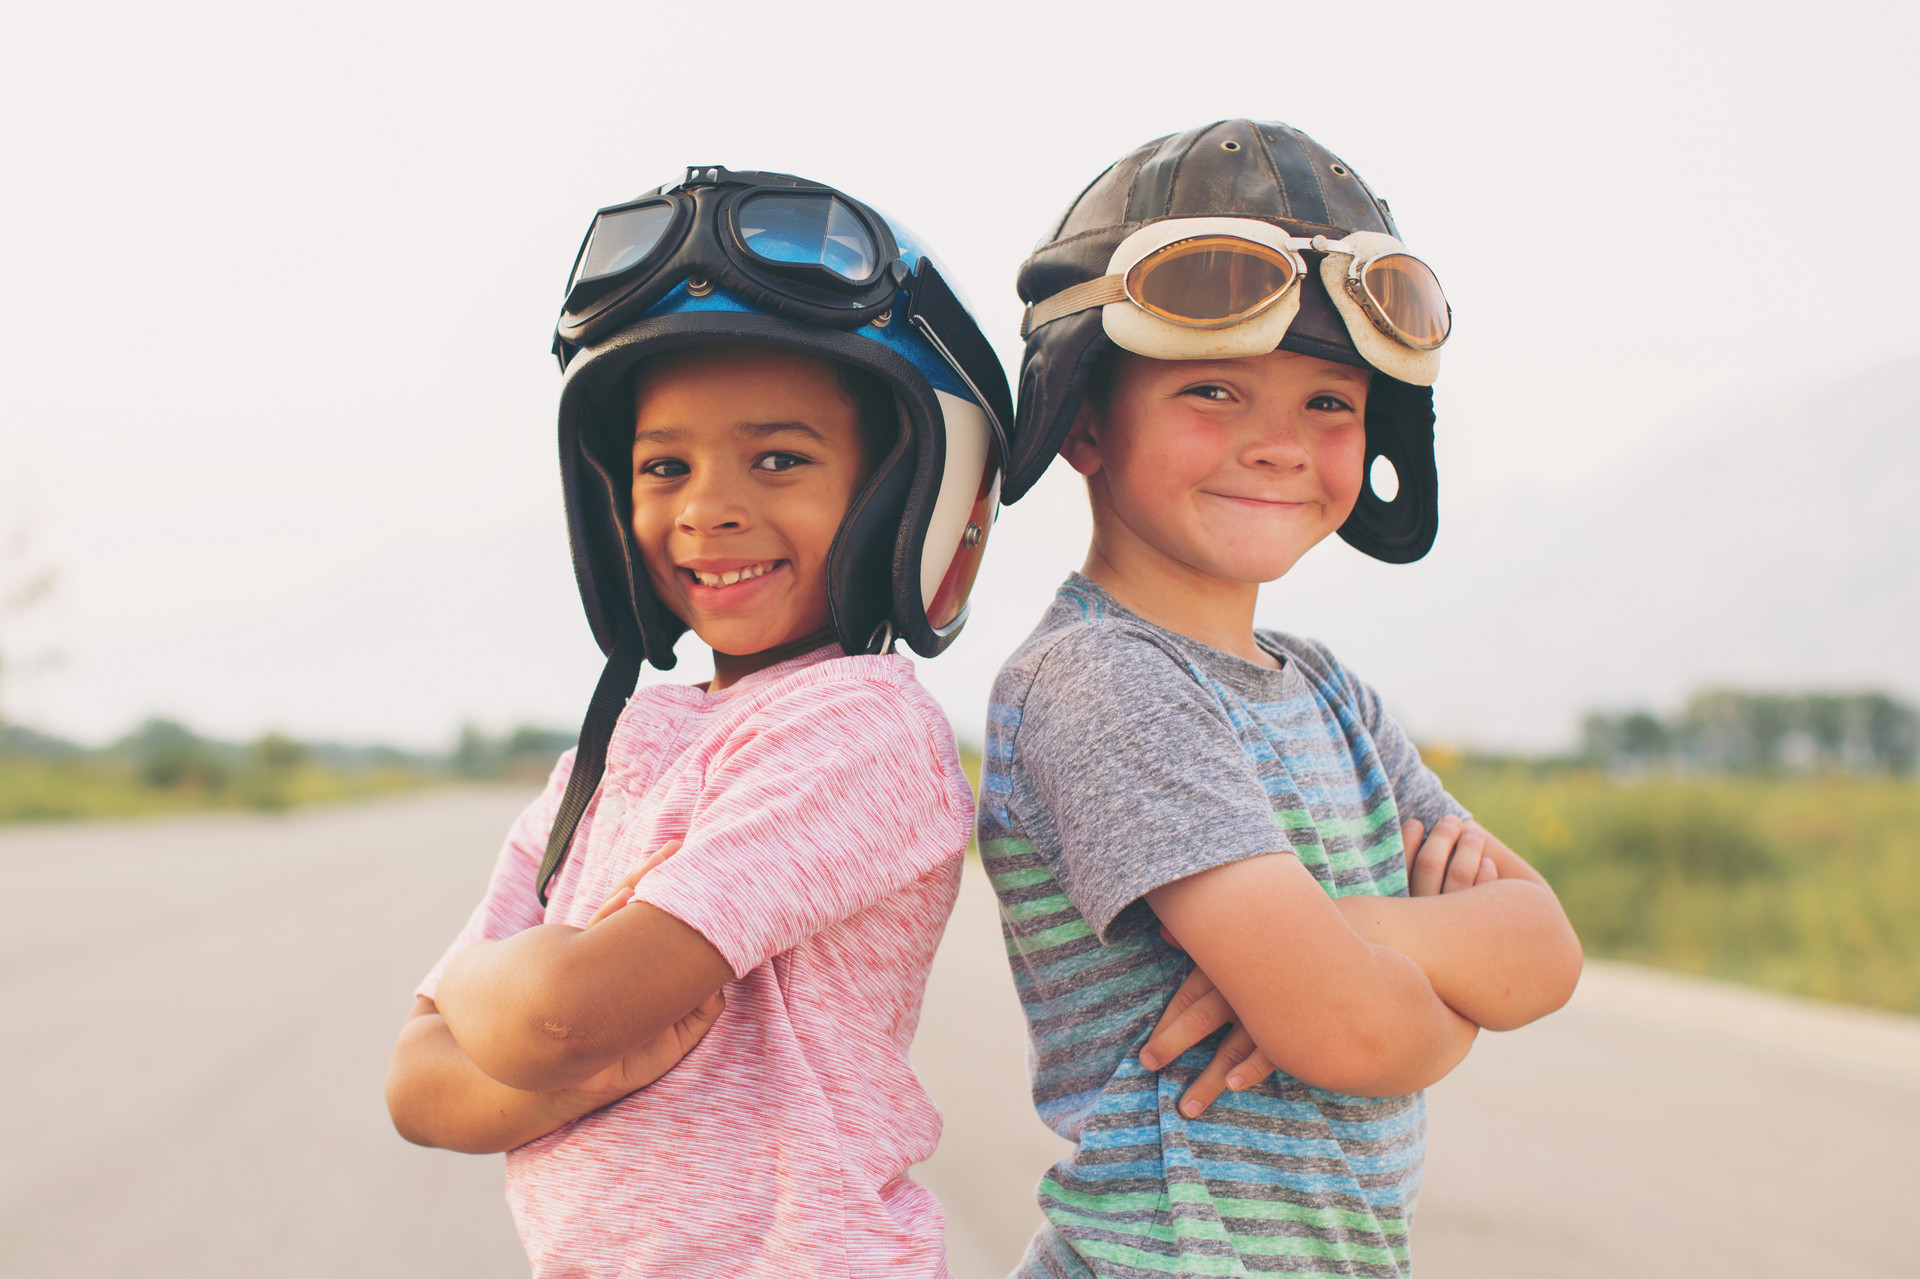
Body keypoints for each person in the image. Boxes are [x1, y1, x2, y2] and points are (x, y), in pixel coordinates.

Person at [980, 120, 1585, 1278]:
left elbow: (1543, 952)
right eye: (1213, 389)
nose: (1277, 444)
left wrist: (1348, 934)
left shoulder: (1330, 692)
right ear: (1086, 418)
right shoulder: (1105, 683)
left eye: (1328, 403)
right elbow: (1352, 1029)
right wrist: (1436, 987)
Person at [384, 165, 1013, 1279]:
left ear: (902, 493)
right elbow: (416, 1086)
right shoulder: (612, 751)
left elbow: (562, 1011)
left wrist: (512, 1002)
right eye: (664, 466)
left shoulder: (860, 729)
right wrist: (565, 1060)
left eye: (779, 458)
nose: (709, 507)